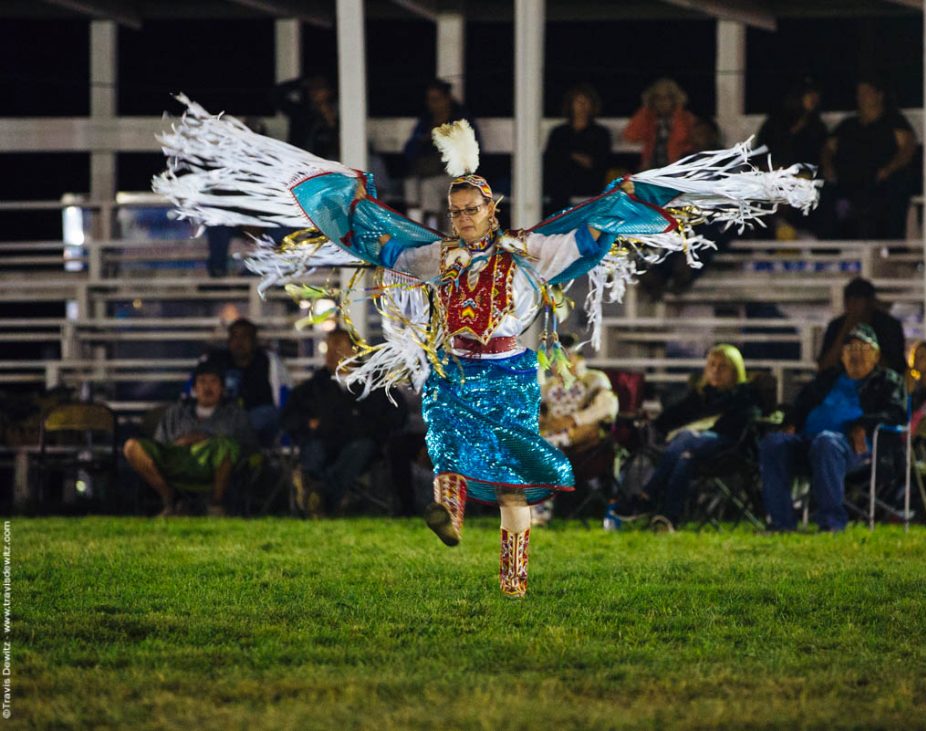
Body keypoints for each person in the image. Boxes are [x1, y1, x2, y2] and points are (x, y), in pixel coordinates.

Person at [156, 97, 820, 596]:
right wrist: (342, 205)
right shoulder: (434, 254)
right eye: (456, 211)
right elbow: (379, 242)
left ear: (492, 209)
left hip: (508, 374)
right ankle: (446, 511)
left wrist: (627, 210)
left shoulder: (530, 251)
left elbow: (589, 235)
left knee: (510, 484)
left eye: (471, 210)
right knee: (444, 441)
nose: (462, 219)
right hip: (452, 370)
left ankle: (513, 572)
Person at [760, 324, 904, 532]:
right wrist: (791, 423)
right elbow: (800, 405)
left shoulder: (886, 381)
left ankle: (831, 522)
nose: (855, 355)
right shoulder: (828, 378)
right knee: (773, 443)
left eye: (863, 349)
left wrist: (863, 424)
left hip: (853, 448)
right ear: (842, 355)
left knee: (826, 442)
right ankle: (780, 522)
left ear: (876, 355)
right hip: (808, 442)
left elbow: (896, 412)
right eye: (850, 349)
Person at [617, 344, 760, 531]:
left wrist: (699, 431)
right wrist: (652, 424)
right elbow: (672, 416)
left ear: (735, 371)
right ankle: (668, 518)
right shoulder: (701, 394)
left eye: (722, 367)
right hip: (693, 450)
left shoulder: (744, 395)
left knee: (686, 436)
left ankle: (647, 496)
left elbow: (741, 425)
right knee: (686, 459)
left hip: (729, 448)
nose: (716, 371)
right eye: (712, 365)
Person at [280, 329, 407, 516]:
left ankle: (318, 496)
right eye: (328, 349)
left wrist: (371, 428)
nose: (331, 355)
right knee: (314, 452)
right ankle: (321, 496)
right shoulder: (313, 387)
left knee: (359, 450)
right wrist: (308, 423)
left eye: (338, 348)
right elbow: (288, 418)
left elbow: (396, 415)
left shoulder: (375, 384)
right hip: (322, 440)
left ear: (355, 352)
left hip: (359, 443)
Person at [124, 361, 256, 516]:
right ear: (194, 389)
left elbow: (248, 448)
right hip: (177, 459)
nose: (207, 388)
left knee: (227, 446)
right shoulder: (176, 413)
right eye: (202, 382)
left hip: (211, 464)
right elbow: (160, 445)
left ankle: (215, 505)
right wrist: (181, 442)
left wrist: (206, 440)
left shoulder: (235, 415)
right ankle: (171, 499)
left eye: (213, 382)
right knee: (131, 447)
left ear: (222, 388)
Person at [819, 74, 917, 240]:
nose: (862, 98)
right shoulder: (848, 125)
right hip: (848, 183)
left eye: (867, 93)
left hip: (880, 182)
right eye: (859, 93)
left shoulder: (894, 122)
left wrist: (888, 169)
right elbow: (827, 149)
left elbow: (907, 148)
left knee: (890, 197)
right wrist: (828, 168)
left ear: (879, 95)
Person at [536, 334, 619, 525]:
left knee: (545, 448)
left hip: (584, 439)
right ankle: (530, 507)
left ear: (578, 359)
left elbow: (608, 407)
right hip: (552, 437)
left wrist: (575, 419)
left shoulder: (595, 379)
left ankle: (540, 512)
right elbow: (538, 415)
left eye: (565, 358)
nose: (559, 364)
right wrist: (545, 423)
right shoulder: (548, 387)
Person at [196, 318, 291, 446]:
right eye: (235, 336)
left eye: (245, 337)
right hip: (219, 419)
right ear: (228, 340)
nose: (239, 342)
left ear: (254, 341)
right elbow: (194, 393)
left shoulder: (269, 362)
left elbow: (285, 400)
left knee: (266, 414)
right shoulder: (214, 361)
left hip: (257, 423)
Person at [402, 79, 479, 227]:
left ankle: (433, 232)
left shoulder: (461, 119)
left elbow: (472, 154)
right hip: (427, 172)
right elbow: (409, 152)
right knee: (410, 184)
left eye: (436, 99)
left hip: (456, 176)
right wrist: (423, 140)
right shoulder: (426, 121)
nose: (432, 104)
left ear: (447, 98)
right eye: (429, 100)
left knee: (429, 186)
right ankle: (415, 230)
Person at [543, 84, 612, 216]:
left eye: (586, 102)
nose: (582, 106)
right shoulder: (559, 132)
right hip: (561, 181)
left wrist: (570, 156)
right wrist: (574, 157)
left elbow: (598, 162)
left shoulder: (600, 133)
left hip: (588, 181)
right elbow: (551, 158)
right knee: (558, 181)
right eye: (579, 102)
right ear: (570, 105)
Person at [817, 277, 906, 374]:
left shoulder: (889, 326)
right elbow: (824, 366)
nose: (854, 307)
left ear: (870, 302)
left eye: (858, 302)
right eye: (850, 302)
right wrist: (845, 331)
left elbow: (893, 368)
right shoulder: (836, 326)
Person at [623, 78, 697, 171]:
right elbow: (631, 136)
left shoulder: (685, 117)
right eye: (657, 98)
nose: (662, 102)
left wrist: (678, 111)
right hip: (651, 169)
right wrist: (646, 108)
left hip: (678, 169)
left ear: (675, 99)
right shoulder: (648, 118)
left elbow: (683, 137)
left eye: (668, 97)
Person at [756, 75, 827, 171]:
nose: (813, 97)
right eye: (808, 93)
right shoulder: (776, 123)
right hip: (775, 177)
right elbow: (760, 154)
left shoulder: (817, 126)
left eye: (816, 93)